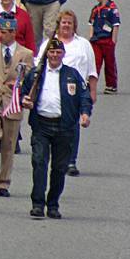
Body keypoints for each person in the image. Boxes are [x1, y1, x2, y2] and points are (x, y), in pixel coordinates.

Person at [21, 38, 92, 219]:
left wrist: (85, 113)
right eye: (51, 52)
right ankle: (37, 204)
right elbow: (23, 92)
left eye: (58, 52)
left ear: (63, 54)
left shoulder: (72, 75)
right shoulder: (36, 74)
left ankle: (53, 204)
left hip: (64, 126)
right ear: (47, 54)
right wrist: (24, 100)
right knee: (39, 163)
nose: (54, 55)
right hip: (41, 125)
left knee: (59, 168)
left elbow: (84, 96)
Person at [0, 16, 33, 196]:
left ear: (13, 33)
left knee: (8, 144)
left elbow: (31, 80)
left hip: (12, 102)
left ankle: (3, 182)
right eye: (0, 32)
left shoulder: (25, 54)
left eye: (4, 32)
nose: (1, 36)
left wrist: (20, 86)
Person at [39, 10, 97, 177]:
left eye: (69, 22)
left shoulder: (83, 44)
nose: (66, 25)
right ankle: (58, 157)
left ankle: (71, 160)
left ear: (74, 25)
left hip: (76, 89)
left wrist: (92, 91)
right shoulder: (49, 43)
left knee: (72, 125)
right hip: (53, 88)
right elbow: (38, 68)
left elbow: (92, 70)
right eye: (63, 22)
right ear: (58, 24)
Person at [89, 0, 120, 94]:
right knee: (94, 62)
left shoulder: (112, 9)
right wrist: (91, 37)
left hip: (107, 40)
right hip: (96, 41)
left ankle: (111, 85)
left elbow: (116, 25)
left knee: (110, 63)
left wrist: (113, 40)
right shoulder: (95, 9)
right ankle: (91, 83)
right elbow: (91, 23)